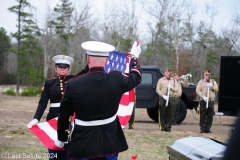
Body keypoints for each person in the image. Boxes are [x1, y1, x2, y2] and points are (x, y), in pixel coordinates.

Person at [55, 41, 142, 160]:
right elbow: (135, 77)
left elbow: (64, 115)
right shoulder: (116, 79)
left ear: (88, 60)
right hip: (109, 141)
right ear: (106, 61)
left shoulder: (73, 84)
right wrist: (134, 57)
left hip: (82, 142)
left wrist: (62, 138)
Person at [27, 55, 88, 160]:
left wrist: (90, 56)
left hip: (70, 120)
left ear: (68, 69)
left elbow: (85, 71)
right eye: (60, 67)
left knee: (68, 151)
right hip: (53, 120)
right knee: (54, 151)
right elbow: (43, 102)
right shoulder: (49, 83)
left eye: (65, 67)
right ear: (55, 68)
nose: (62, 69)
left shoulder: (73, 80)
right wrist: (36, 118)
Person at [196, 69, 218, 133]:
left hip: (210, 100)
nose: (207, 76)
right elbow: (197, 90)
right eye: (206, 74)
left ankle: (208, 128)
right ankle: (202, 128)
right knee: (202, 114)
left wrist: (211, 86)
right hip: (203, 100)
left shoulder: (213, 82)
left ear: (210, 75)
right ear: (204, 75)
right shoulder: (201, 82)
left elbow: (216, 89)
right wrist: (203, 97)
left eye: (208, 74)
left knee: (210, 115)